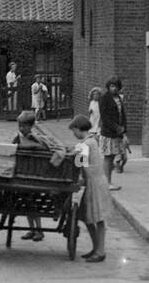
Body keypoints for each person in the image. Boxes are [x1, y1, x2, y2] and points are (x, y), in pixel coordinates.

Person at [12, 110, 67, 242]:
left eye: (24, 126)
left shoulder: (39, 138)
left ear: (31, 126)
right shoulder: (17, 137)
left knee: (32, 203)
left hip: (37, 174)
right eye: (20, 126)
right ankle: (32, 229)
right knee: (26, 202)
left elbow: (51, 148)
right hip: (23, 174)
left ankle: (39, 230)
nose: (21, 128)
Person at [69, 114, 109, 262]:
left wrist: (72, 154)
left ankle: (100, 251)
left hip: (94, 184)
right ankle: (96, 248)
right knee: (88, 217)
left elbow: (79, 164)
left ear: (79, 129)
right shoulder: (91, 141)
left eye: (74, 131)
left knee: (97, 218)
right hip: (95, 182)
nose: (73, 134)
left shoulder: (86, 144)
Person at [98, 76, 128, 191]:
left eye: (116, 86)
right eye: (111, 86)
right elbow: (105, 117)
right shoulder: (104, 98)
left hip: (117, 133)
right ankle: (107, 182)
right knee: (108, 157)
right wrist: (116, 128)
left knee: (113, 156)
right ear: (108, 87)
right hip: (108, 133)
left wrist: (124, 129)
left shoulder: (119, 98)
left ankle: (108, 181)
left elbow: (122, 115)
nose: (114, 89)